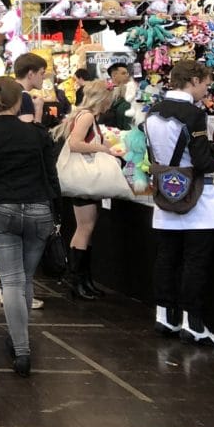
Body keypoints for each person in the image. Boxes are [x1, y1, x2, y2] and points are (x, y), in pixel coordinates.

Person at [0, 76, 59, 377]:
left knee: (11, 281)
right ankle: (19, 337)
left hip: (2, 210)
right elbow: (52, 177)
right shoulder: (38, 133)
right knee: (26, 279)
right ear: (19, 102)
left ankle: (21, 349)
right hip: (38, 210)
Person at [146, 59, 214, 344]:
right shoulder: (193, 114)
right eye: (205, 84)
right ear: (193, 81)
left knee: (166, 257)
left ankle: (164, 316)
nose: (207, 90)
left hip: (165, 194)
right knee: (195, 261)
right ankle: (193, 324)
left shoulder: (153, 111)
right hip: (197, 199)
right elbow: (202, 162)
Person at [56, 79, 124, 300]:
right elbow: (75, 143)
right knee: (84, 228)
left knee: (87, 228)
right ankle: (76, 280)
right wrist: (102, 148)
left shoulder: (82, 115)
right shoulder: (86, 116)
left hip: (84, 181)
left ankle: (83, 279)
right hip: (84, 181)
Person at [14, 53, 48, 124]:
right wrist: (38, 110)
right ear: (30, 74)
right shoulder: (24, 96)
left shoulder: (9, 91)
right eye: (41, 73)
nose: (44, 77)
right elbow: (29, 130)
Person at [99, 62, 132, 128]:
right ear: (114, 75)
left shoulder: (131, 89)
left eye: (127, 73)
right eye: (123, 73)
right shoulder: (105, 94)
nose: (127, 75)